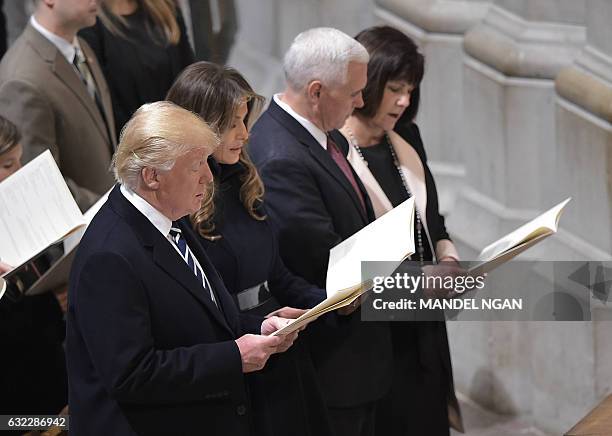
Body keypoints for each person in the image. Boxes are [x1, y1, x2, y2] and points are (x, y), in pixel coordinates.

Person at [66, 101, 298, 435]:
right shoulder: (110, 256)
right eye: (196, 165)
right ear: (152, 176)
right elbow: (132, 375)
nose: (208, 175)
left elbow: (204, 320)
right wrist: (233, 357)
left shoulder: (168, 216)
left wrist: (258, 328)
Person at [167, 61, 333, 436]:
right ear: (199, 125)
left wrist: (327, 300)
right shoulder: (180, 204)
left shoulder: (244, 180)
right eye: (232, 123)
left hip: (278, 350)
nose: (245, 133)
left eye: (245, 120)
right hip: (235, 362)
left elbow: (276, 274)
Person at [247, 27, 393, 436]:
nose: (362, 102)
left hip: (357, 356)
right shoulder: (281, 157)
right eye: (353, 93)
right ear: (316, 91)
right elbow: (326, 263)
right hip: (332, 363)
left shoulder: (314, 135)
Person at [340, 25, 463, 435]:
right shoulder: (332, 151)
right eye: (395, 88)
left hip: (425, 324)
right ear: (367, 82)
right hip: (375, 332)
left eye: (410, 89)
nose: (404, 100)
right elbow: (343, 256)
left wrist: (449, 259)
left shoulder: (406, 136)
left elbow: (433, 220)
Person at [0, 0, 116, 212]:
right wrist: (112, 210)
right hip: (80, 234)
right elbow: (38, 184)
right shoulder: (22, 78)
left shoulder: (81, 47)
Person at [0, 115, 67, 428]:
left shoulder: (18, 209)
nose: (19, 172)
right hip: (15, 410)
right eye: (8, 165)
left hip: (51, 379)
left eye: (20, 161)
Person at [79, 0, 194, 134]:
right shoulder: (91, 27)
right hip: (139, 144)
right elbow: (110, 106)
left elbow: (190, 78)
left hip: (184, 134)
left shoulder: (165, 9)